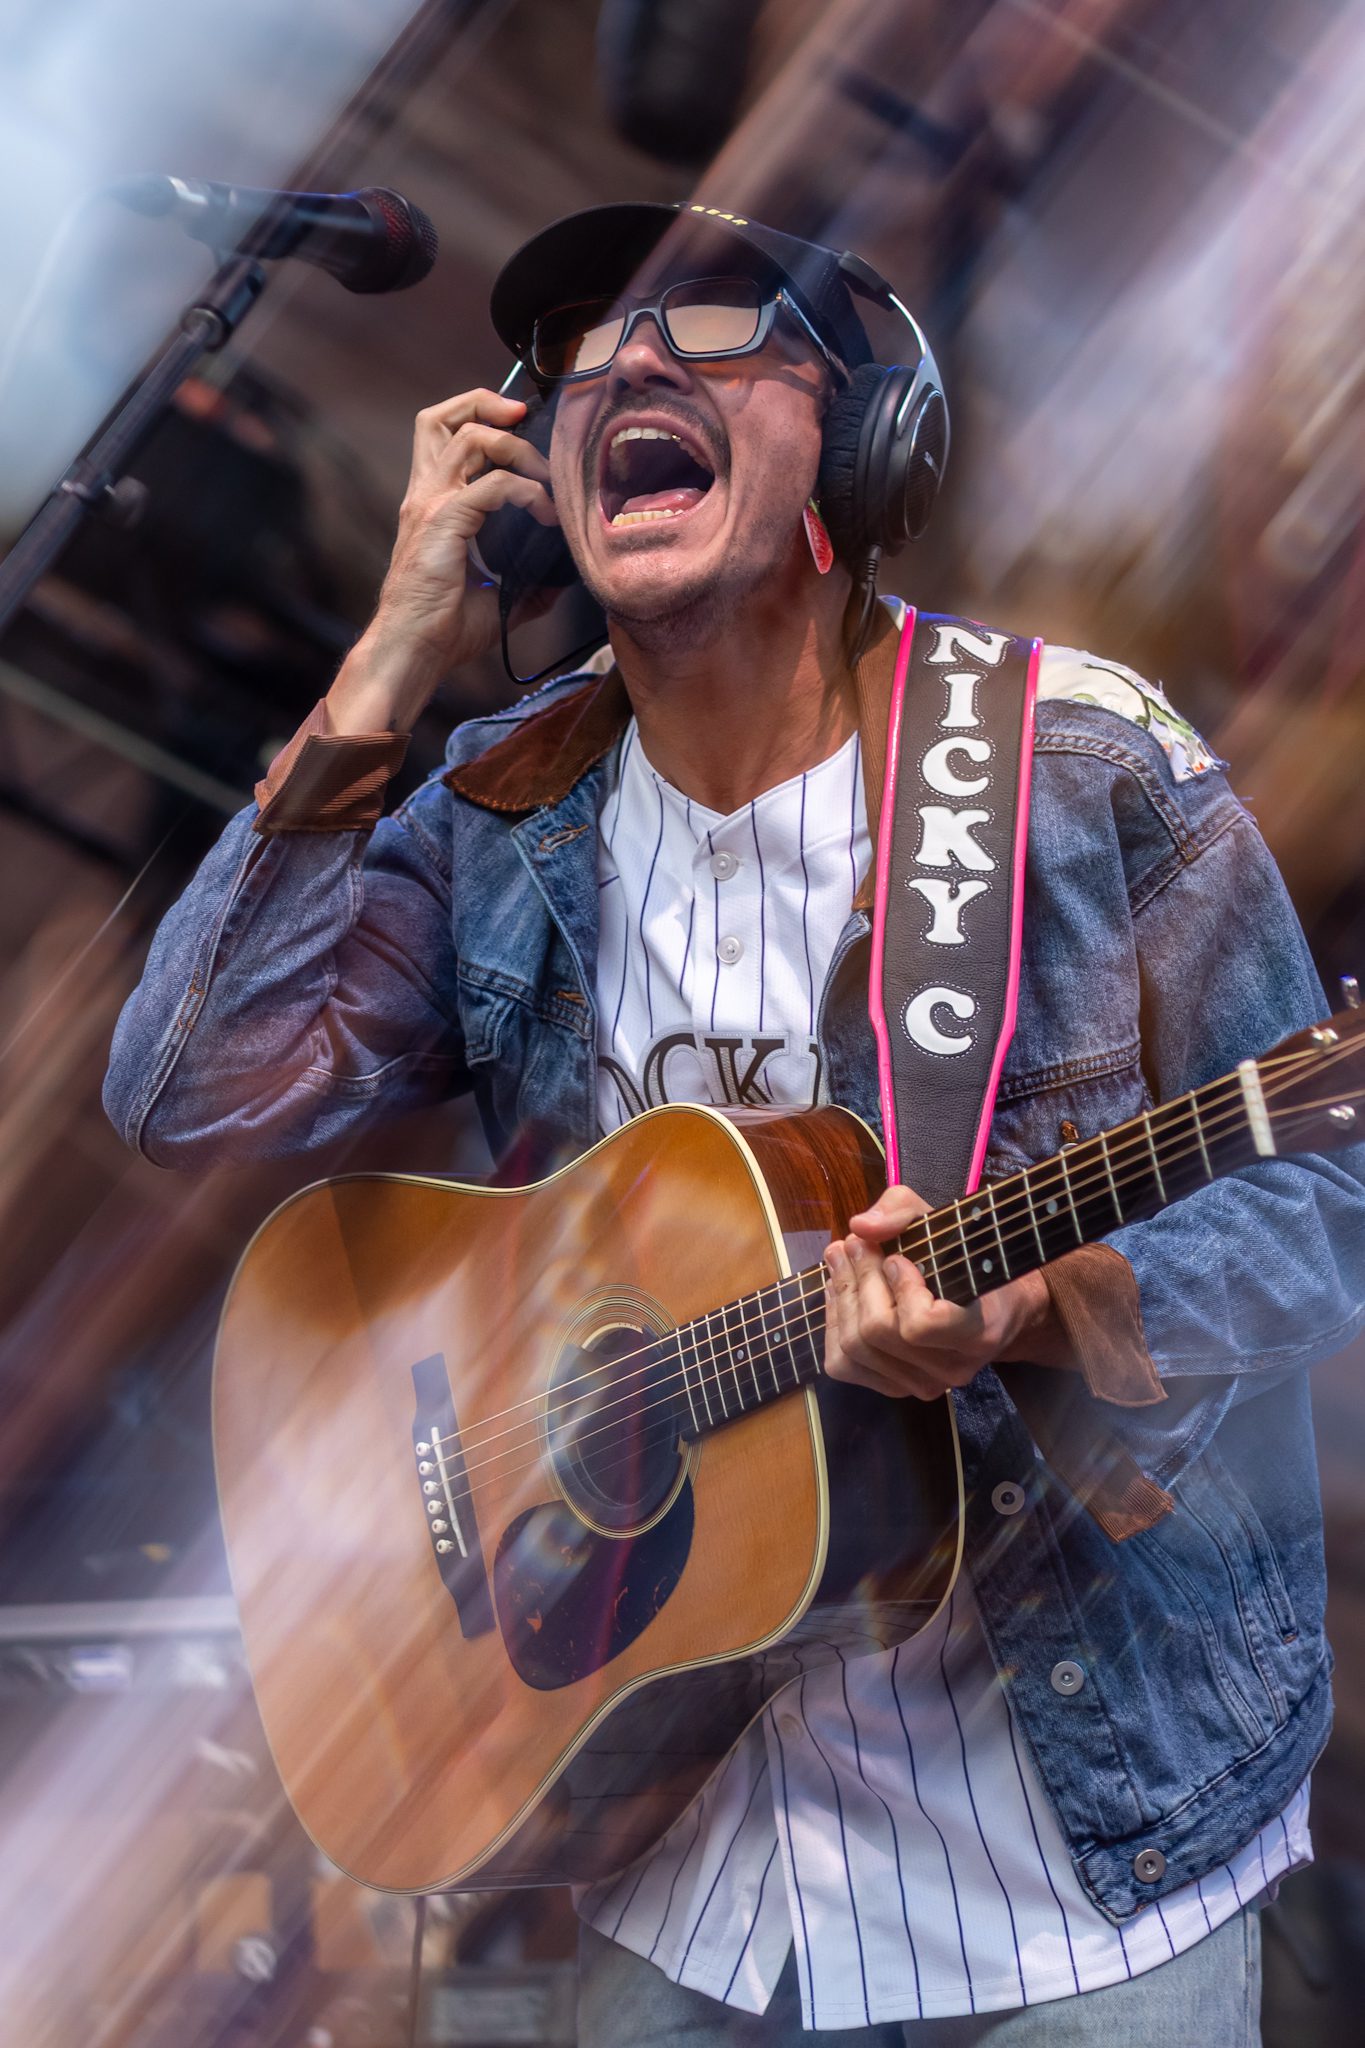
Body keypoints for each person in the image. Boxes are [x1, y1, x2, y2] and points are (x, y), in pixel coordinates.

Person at [105, 202, 1365, 2044]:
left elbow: (1330, 1193)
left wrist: (1053, 1304)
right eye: (580, 353)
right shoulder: (505, 811)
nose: (629, 360)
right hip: (684, 1843)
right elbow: (186, 1082)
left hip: (1082, 1851)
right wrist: (392, 649)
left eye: (707, 326)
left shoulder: (1071, 767)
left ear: (859, 444)